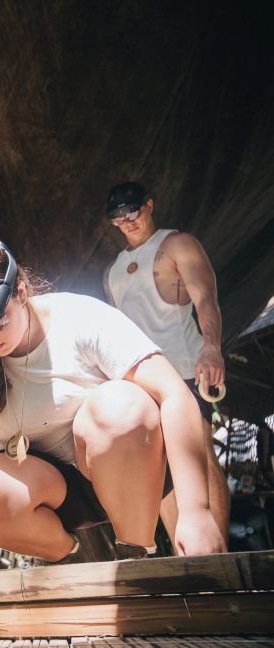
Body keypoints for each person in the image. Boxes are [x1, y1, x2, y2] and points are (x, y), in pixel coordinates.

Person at [0, 242, 226, 562]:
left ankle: (136, 552)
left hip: (133, 467)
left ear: (21, 292)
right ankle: (68, 557)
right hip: (56, 493)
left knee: (119, 405)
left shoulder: (80, 317)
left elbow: (175, 396)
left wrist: (196, 512)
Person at [102, 181, 231, 550]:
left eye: (133, 210)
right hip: (141, 377)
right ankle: (185, 556)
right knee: (159, 468)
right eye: (118, 216)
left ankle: (218, 554)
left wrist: (212, 348)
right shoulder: (112, 272)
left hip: (186, 367)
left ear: (149, 205)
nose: (127, 220)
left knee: (198, 452)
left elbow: (206, 297)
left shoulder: (177, 244)